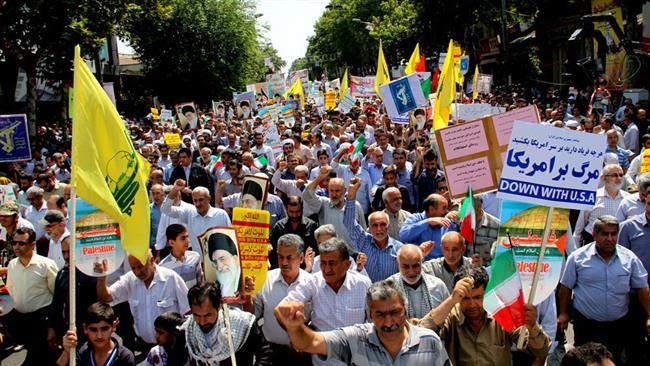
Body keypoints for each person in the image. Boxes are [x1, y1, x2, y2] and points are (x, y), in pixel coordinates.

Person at [275, 278, 451, 365]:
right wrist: (294, 326)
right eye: (380, 315)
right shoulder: (355, 339)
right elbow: (310, 342)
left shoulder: (430, 342)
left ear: (405, 309)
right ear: (369, 314)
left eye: (395, 312)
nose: (389, 322)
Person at [558, 215, 650, 364]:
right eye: (605, 234)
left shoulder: (630, 259)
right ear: (594, 234)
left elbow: (642, 289)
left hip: (618, 326)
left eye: (614, 234)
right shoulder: (577, 258)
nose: (610, 238)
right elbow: (566, 287)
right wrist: (563, 313)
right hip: (587, 326)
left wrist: (649, 315)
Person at [418, 266, 551, 365]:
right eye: (464, 298)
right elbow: (421, 332)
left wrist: (532, 326)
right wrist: (451, 300)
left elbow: (540, 350)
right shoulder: (452, 316)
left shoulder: (501, 313)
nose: (472, 305)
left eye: (477, 297)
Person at [280, 237, 372, 366]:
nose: (327, 269)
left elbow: (374, 322)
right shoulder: (312, 282)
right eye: (323, 263)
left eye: (332, 263)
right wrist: (297, 332)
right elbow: (284, 307)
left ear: (347, 264)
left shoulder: (363, 284)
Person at [244, 234, 312, 366]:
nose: (284, 262)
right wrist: (248, 296)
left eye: (289, 257)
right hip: (270, 353)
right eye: (280, 257)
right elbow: (252, 315)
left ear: (301, 258)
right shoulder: (266, 279)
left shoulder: (312, 283)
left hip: (302, 354)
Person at [96, 253, 191, 347]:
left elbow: (188, 311)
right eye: (133, 268)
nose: (137, 272)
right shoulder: (130, 280)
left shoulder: (171, 278)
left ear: (152, 260)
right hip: (145, 347)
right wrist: (102, 277)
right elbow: (105, 298)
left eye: (140, 267)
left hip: (172, 346)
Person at [181, 282, 273, 365]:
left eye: (207, 315)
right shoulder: (188, 330)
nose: (202, 321)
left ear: (219, 307)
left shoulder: (243, 323)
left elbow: (265, 354)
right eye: (196, 315)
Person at [5, 227, 59, 364]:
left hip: (41, 320)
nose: (17, 247)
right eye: (14, 242)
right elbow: (10, 291)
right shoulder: (11, 265)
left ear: (32, 245)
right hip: (20, 320)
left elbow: (57, 296)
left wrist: (52, 327)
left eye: (21, 243)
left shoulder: (46, 265)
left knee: (38, 357)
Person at [344, 177, 406, 282]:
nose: (379, 229)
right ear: (369, 228)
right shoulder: (364, 241)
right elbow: (349, 223)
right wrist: (351, 196)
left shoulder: (399, 249)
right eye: (375, 225)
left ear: (388, 227)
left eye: (382, 224)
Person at [47, 235, 97, 349]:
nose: (66, 256)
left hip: (90, 329)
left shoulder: (92, 273)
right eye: (63, 252)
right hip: (70, 330)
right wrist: (52, 328)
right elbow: (56, 304)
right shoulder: (62, 274)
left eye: (70, 251)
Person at [161, 181, 231, 259]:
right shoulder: (189, 213)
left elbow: (230, 240)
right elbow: (165, 209)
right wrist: (175, 189)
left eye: (201, 200)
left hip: (220, 263)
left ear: (209, 199)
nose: (198, 204)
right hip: (198, 264)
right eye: (195, 200)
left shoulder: (221, 215)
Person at [303, 166, 366, 248]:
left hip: (352, 254)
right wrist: (320, 177)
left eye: (337, 191)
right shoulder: (323, 204)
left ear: (344, 190)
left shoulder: (355, 205)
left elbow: (363, 230)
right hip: (329, 253)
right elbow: (307, 195)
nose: (334, 194)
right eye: (331, 190)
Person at [57, 302, 136, 366]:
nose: (99, 335)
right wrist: (66, 351)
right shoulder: (82, 353)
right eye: (93, 329)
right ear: (85, 328)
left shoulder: (125, 357)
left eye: (104, 329)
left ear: (113, 327)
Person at [389, 244, 449, 320]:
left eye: (415, 266)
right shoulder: (389, 288)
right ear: (398, 264)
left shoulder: (438, 286)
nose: (411, 272)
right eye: (406, 267)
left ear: (422, 262)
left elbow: (449, 318)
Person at [574, 164, 628, 246]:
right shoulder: (592, 197)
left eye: (621, 175)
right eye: (614, 175)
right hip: (593, 243)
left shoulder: (628, 199)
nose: (619, 178)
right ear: (604, 178)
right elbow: (580, 226)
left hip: (619, 244)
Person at [400, 193, 458, 260]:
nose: (447, 211)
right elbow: (403, 236)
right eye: (444, 208)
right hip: (420, 264)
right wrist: (427, 222)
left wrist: (456, 221)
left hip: (442, 264)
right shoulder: (415, 218)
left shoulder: (448, 222)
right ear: (431, 209)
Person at [269, 196, 318, 269]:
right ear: (286, 209)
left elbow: (316, 252)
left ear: (302, 209)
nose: (294, 215)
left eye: (297, 212)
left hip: (305, 270)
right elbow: (272, 251)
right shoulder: (279, 227)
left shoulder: (312, 226)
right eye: (291, 212)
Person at [159, 224, 203, 288]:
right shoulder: (163, 266)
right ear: (171, 242)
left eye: (187, 237)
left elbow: (201, 283)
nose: (188, 241)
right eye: (183, 238)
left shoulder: (195, 257)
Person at [207, 232, 242, 298]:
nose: (219, 267)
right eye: (215, 262)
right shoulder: (215, 287)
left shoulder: (247, 283)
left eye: (222, 259)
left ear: (235, 259)